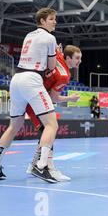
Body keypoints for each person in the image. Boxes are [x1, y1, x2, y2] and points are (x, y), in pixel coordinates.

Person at [0, 7, 60, 183]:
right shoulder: (50, 37)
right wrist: (57, 53)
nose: (55, 22)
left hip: (16, 79)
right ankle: (41, 166)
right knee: (51, 125)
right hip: (32, 79)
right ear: (43, 21)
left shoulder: (29, 35)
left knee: (14, 126)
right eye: (51, 19)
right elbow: (52, 66)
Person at [25, 44, 82, 182]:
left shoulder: (57, 54)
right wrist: (71, 98)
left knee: (46, 132)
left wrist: (57, 48)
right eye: (77, 58)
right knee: (49, 130)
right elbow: (54, 97)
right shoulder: (64, 76)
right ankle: (47, 167)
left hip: (31, 96)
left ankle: (33, 165)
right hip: (35, 101)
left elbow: (54, 50)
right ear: (67, 58)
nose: (79, 61)